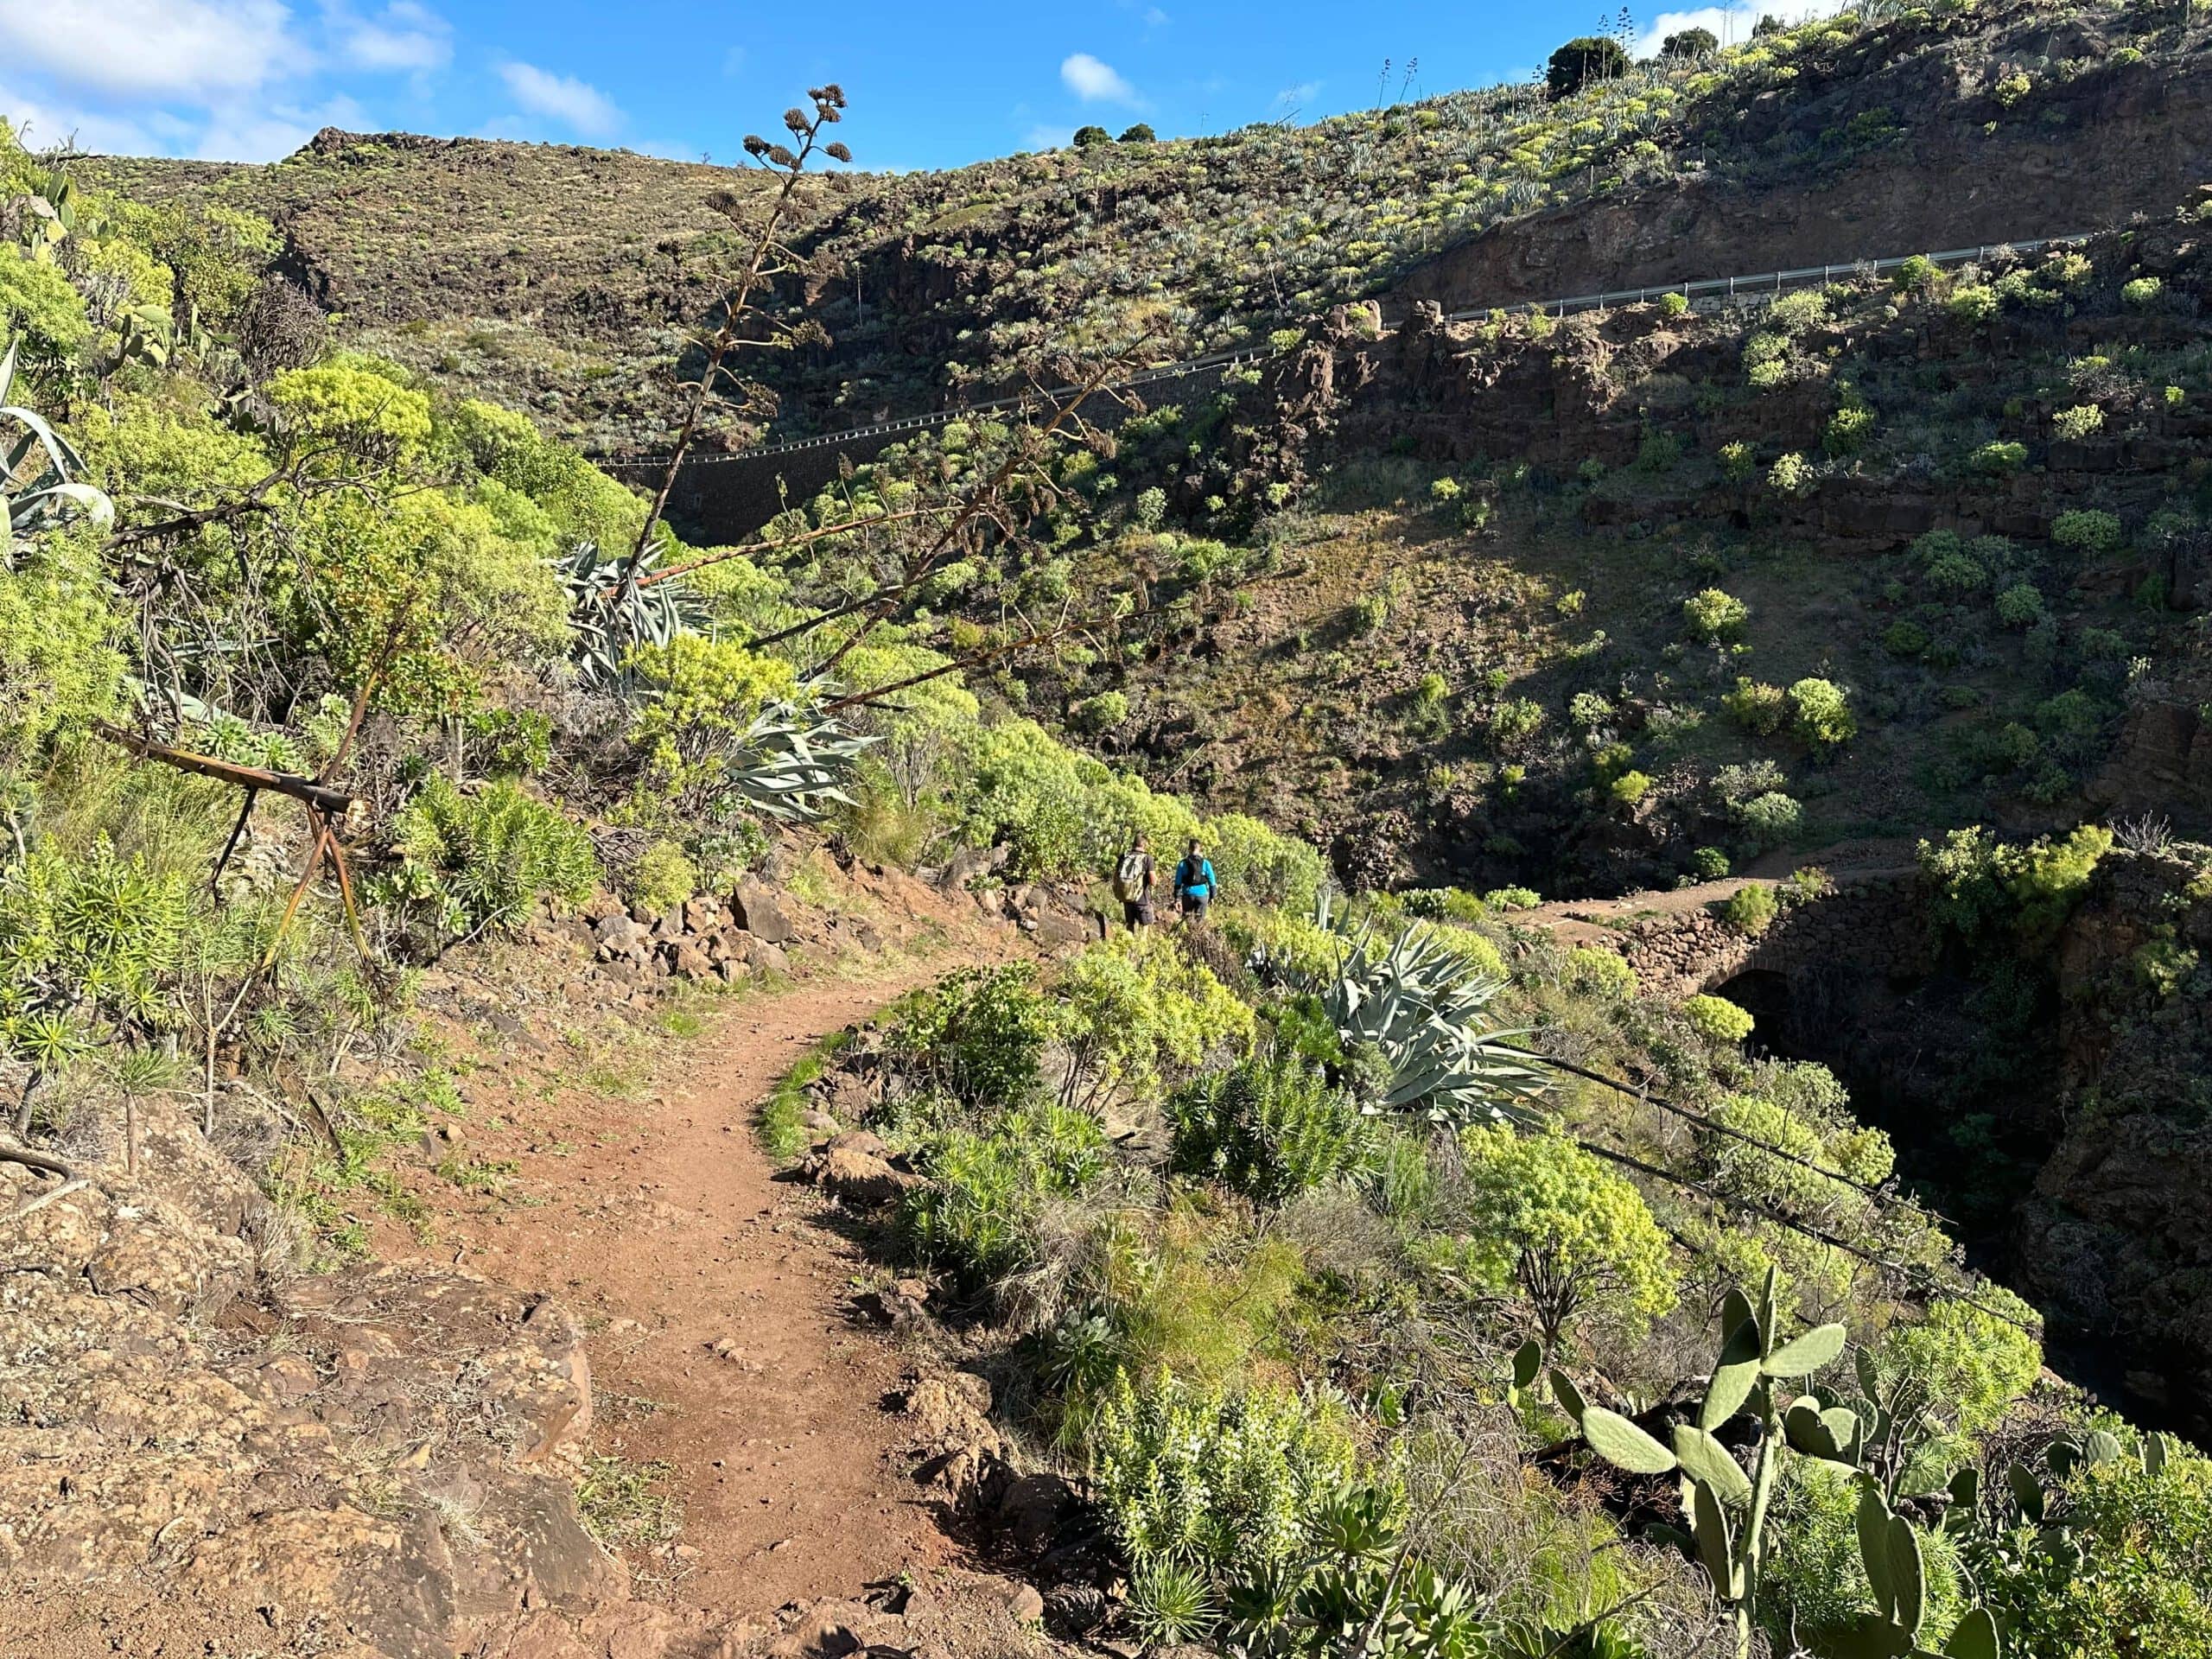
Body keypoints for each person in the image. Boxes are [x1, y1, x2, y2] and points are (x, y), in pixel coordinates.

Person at [1112, 834, 1156, 931]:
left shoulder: (1124, 856)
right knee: (1144, 927)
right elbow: (1153, 882)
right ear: (1145, 845)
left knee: (1130, 924)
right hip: (1142, 900)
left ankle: (1129, 943)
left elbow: (1115, 876)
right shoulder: (1147, 859)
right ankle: (1141, 946)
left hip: (1127, 897)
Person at [1173, 838, 1218, 925]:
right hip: (1202, 895)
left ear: (1189, 848)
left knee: (1186, 920)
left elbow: (1178, 883)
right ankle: (1197, 936)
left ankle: (1186, 936)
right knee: (1200, 922)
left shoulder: (1182, 864)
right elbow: (1212, 882)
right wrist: (1212, 897)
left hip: (1187, 896)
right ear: (1200, 848)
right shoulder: (1206, 863)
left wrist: (1177, 899)